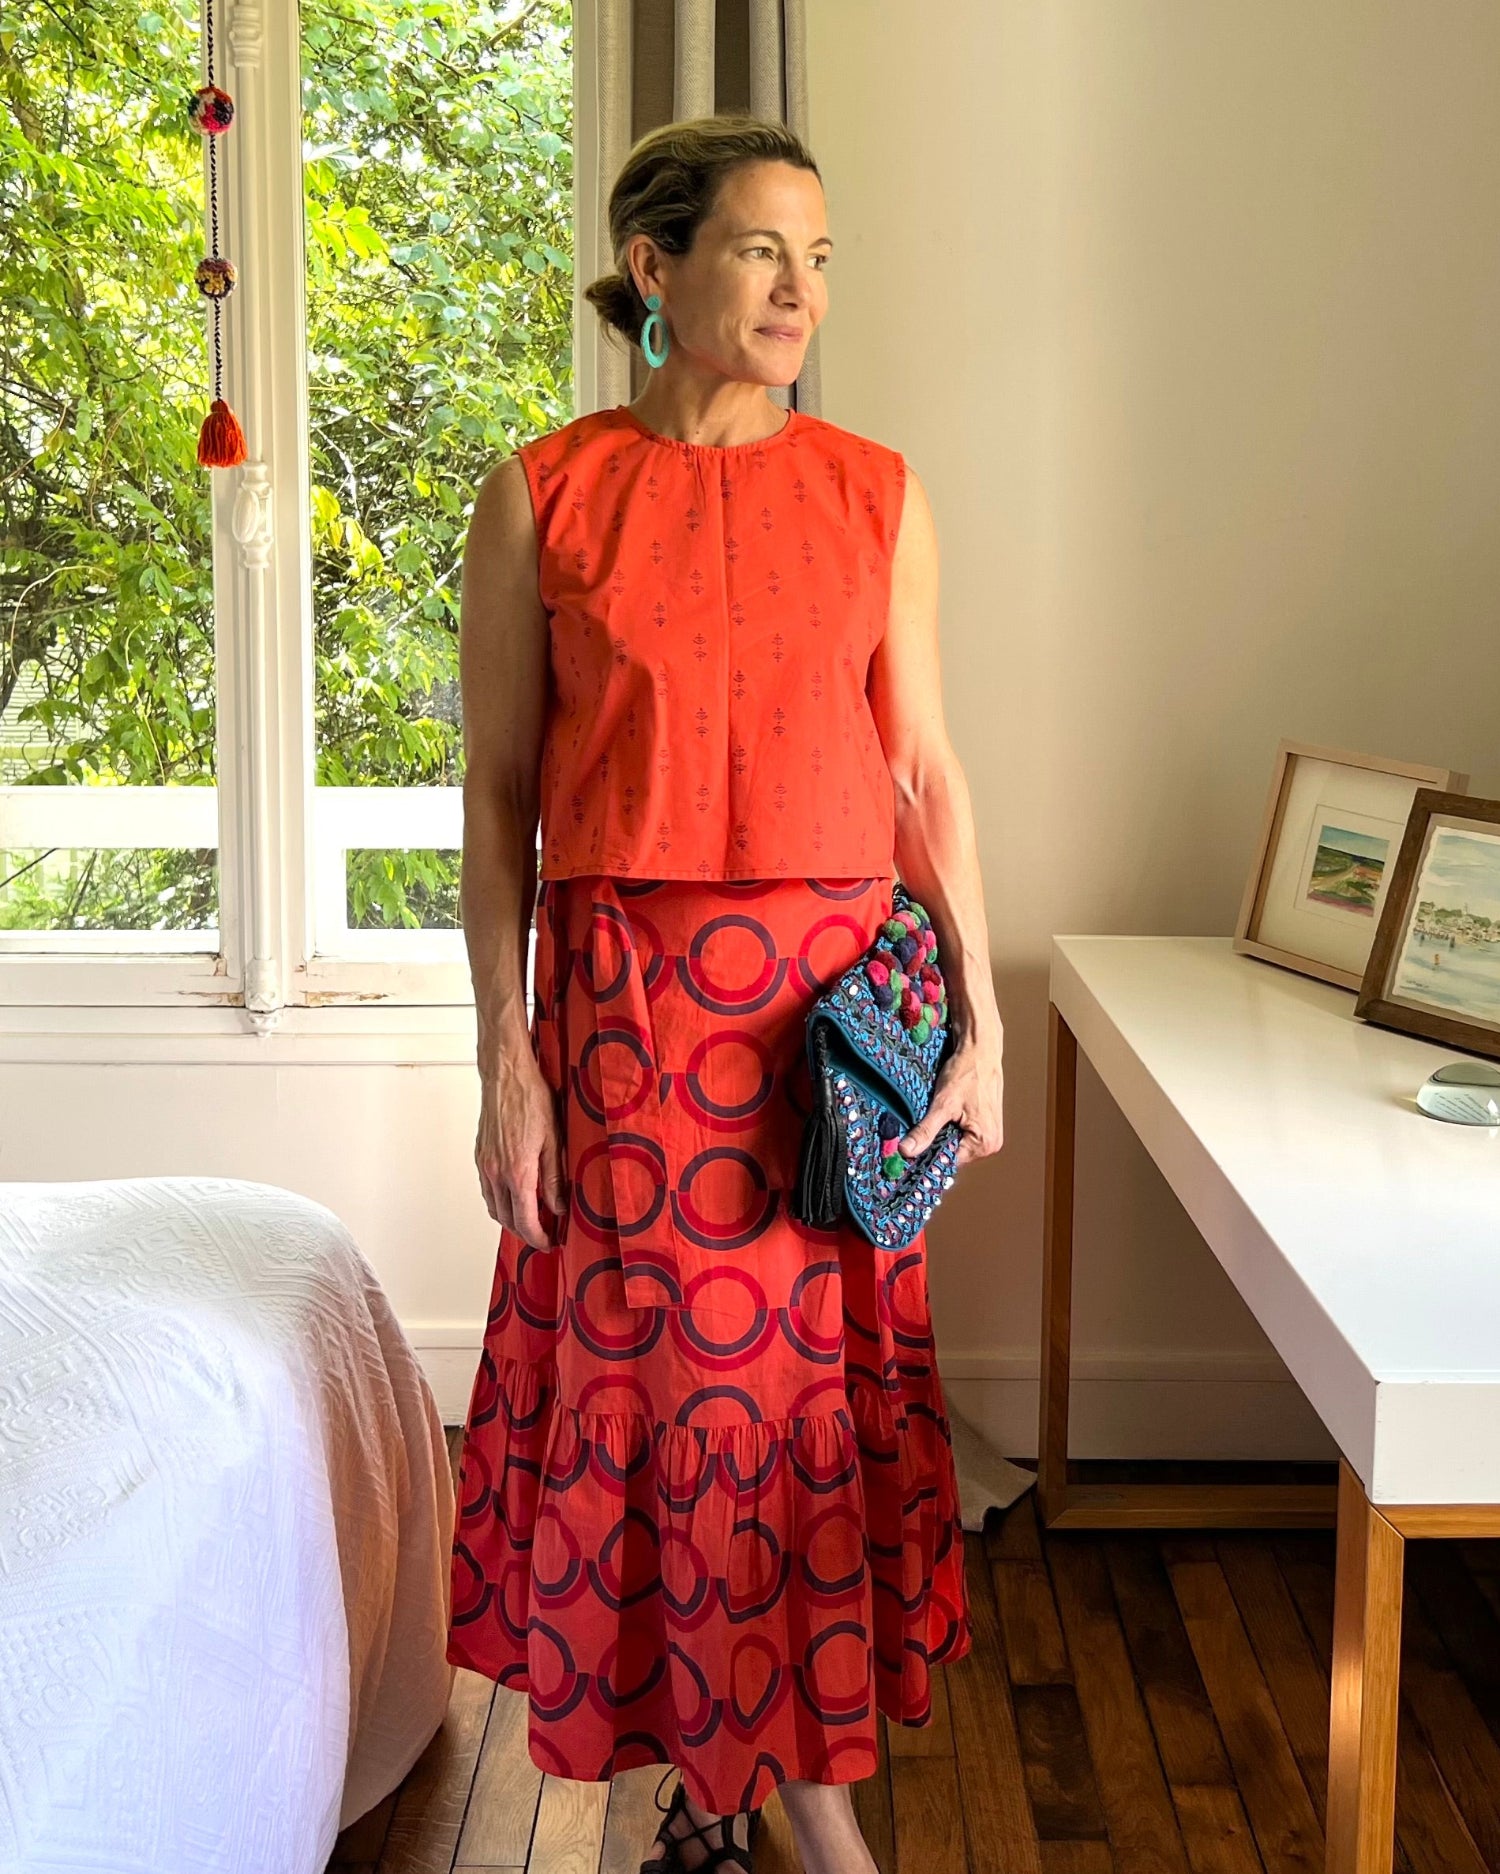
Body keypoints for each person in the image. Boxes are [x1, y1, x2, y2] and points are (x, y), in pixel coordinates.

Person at [445, 113, 1005, 1874]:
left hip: (835, 1012)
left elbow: (923, 769)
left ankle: (737, 1788)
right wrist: (506, 1064)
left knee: (804, 1400)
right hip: (629, 1014)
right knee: (686, 1400)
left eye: (820, 256)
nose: (799, 289)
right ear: (656, 266)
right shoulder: (543, 491)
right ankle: (794, 1816)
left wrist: (978, 1021)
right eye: (763, 250)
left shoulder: (878, 491)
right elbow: (496, 793)